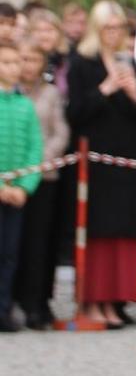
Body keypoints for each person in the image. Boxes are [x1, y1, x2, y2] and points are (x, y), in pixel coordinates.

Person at [65, 0, 136, 329]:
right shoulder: (82, 64)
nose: (115, 35)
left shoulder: (131, 62)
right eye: (108, 28)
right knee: (98, 230)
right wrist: (105, 89)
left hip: (127, 162)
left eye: (120, 29)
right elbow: (75, 113)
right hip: (96, 164)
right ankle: (93, 302)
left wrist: (133, 95)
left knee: (124, 231)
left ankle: (115, 302)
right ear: (96, 30)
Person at [12, 42, 68, 330]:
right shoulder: (9, 93)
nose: (28, 64)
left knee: (39, 245)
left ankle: (37, 303)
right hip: (10, 178)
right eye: (23, 58)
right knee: (11, 245)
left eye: (34, 58)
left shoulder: (50, 93)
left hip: (43, 177)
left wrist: (38, 162)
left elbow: (60, 133)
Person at [0, 41, 41, 333]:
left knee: (10, 254)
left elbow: (34, 149)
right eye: (5, 62)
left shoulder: (26, 105)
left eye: (16, 62)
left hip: (16, 194)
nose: (12, 68)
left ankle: (3, 309)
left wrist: (24, 187)